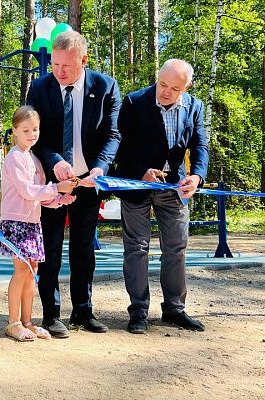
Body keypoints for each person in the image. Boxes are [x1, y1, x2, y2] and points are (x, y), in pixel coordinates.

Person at [26, 31, 121, 337]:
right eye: (54, 64)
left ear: (84, 60)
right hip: (54, 184)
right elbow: (34, 136)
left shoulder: (105, 87)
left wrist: (100, 168)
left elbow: (112, 134)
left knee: (83, 249)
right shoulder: (39, 89)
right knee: (50, 248)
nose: (59, 72)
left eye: (66, 65)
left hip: (88, 182)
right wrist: (54, 161)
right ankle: (51, 315)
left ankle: (83, 311)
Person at [113, 59, 209, 334]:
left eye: (174, 88)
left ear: (186, 87)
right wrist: (140, 171)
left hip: (174, 187)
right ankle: (138, 312)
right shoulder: (134, 102)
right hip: (136, 185)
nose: (165, 91)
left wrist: (198, 176)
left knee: (176, 248)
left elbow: (200, 144)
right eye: (162, 84)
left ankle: (174, 310)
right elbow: (119, 146)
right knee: (137, 248)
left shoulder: (195, 107)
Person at [0, 106, 77, 342]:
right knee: (21, 270)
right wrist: (56, 188)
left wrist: (59, 199)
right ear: (14, 131)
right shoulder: (14, 157)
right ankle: (13, 322)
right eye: (26, 130)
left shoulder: (34, 158)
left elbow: (41, 196)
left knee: (32, 271)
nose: (32, 134)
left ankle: (27, 321)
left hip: (33, 222)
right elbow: (27, 191)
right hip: (16, 221)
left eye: (35, 129)